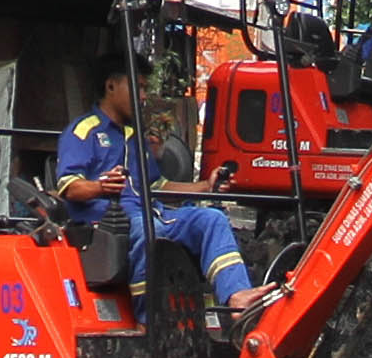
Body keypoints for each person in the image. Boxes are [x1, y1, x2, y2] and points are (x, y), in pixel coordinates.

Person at [55, 66, 255, 329]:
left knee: (211, 219)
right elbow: (69, 187)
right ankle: (149, 324)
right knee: (148, 228)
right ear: (111, 86)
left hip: (153, 213)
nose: (143, 95)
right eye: (137, 87)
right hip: (106, 224)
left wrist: (206, 185)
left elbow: (158, 185)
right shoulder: (83, 131)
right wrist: (100, 187)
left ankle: (237, 297)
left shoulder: (135, 137)